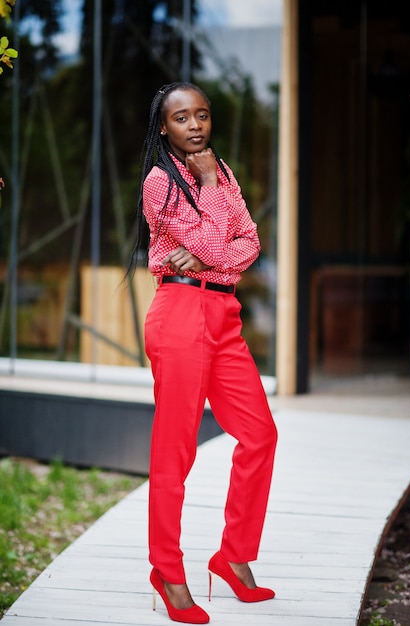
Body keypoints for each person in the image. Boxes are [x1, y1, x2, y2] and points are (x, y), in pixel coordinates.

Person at [129, 81, 278, 624]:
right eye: (181, 118)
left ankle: (232, 556)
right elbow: (222, 243)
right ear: (164, 127)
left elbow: (248, 243)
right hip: (180, 316)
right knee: (176, 451)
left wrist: (215, 246)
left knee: (260, 434)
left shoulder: (227, 172)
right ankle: (167, 568)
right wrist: (212, 200)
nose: (195, 125)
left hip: (224, 317)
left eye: (203, 115)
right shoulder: (158, 183)